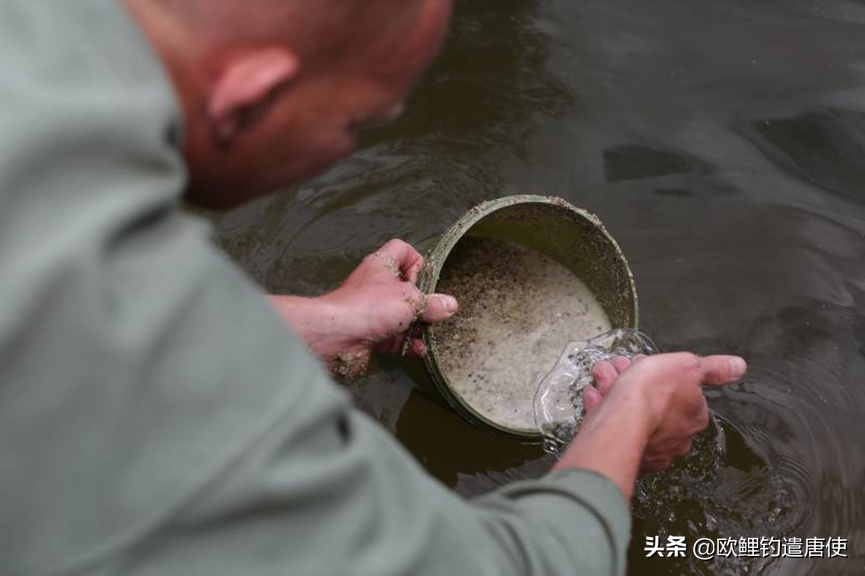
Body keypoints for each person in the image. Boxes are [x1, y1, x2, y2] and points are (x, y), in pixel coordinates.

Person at [0, 1, 747, 575]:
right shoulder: (228, 422)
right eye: (356, 122)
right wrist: (630, 413)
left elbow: (87, 321)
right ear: (249, 96)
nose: (345, 148)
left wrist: (314, 323)